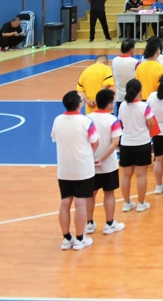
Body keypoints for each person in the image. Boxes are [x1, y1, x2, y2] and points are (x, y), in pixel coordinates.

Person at [52, 91, 99, 251]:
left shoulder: (57, 120)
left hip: (64, 168)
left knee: (65, 202)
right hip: (82, 168)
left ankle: (66, 239)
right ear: (80, 104)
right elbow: (95, 142)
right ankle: (80, 238)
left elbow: (55, 138)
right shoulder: (86, 121)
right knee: (80, 203)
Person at [87, 88, 124, 237]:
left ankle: (89, 223)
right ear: (109, 104)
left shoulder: (87, 119)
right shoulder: (113, 120)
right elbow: (115, 143)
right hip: (108, 165)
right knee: (109, 194)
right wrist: (102, 158)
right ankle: (109, 224)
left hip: (91, 165)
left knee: (90, 194)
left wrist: (93, 157)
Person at [116, 78, 155, 212]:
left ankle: (127, 203)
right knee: (141, 175)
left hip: (126, 143)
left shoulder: (122, 106)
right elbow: (150, 123)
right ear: (140, 90)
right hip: (142, 143)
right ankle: (141, 203)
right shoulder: (144, 106)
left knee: (126, 175)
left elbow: (121, 122)